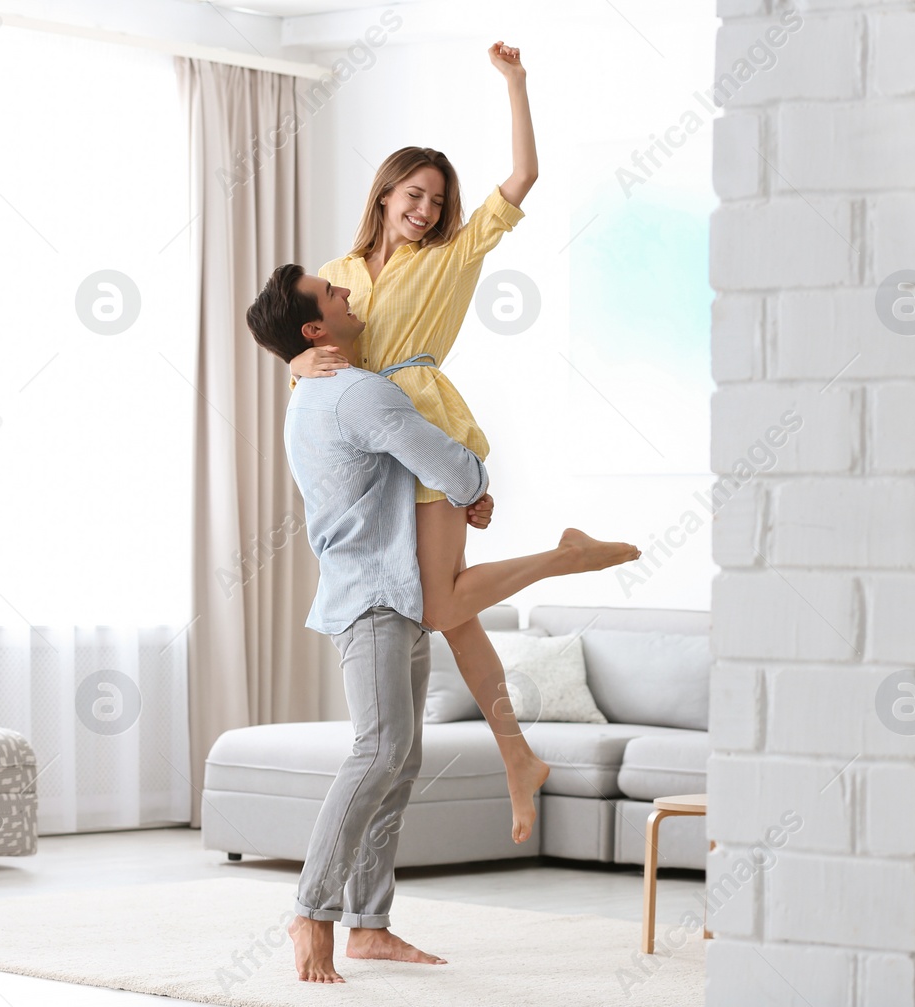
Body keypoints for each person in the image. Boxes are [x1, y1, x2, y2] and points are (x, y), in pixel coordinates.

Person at [247, 263, 639, 984]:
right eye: (332, 294)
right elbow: (456, 470)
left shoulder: (309, 388)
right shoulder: (359, 391)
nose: (348, 293)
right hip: (372, 598)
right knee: (381, 748)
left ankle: (370, 926)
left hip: (392, 593)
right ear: (314, 330)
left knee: (400, 759)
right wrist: (477, 487)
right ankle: (312, 909)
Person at [288, 40, 558, 846]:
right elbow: (297, 341)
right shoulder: (335, 272)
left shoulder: (454, 255)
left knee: (443, 604)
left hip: (426, 431)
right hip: (368, 451)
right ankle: (518, 754)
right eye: (415, 194)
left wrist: (515, 81)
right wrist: (300, 358)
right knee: (441, 608)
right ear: (386, 193)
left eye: (438, 200)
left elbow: (523, 180)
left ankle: (517, 750)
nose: (427, 209)